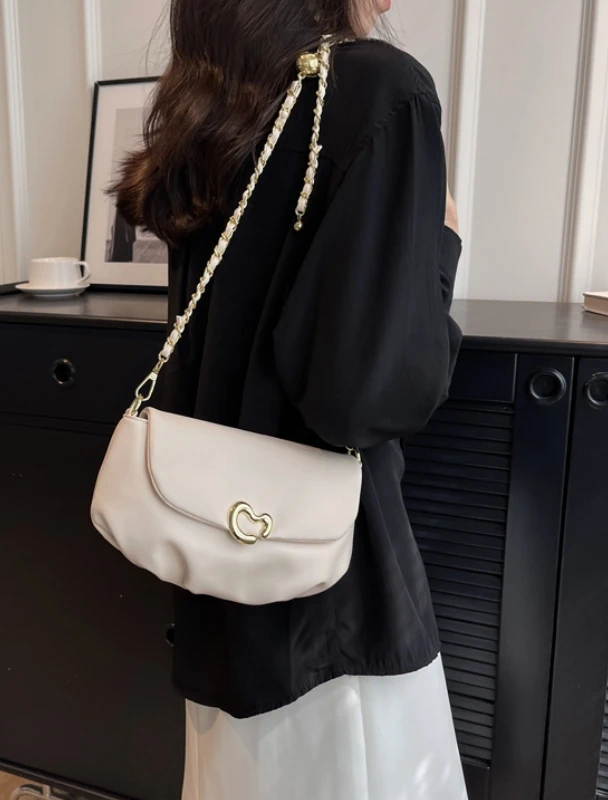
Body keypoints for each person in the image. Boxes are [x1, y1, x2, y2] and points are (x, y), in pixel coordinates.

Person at [112, 1, 467, 798]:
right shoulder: (382, 90)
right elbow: (365, 399)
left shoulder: (210, 96)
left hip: (214, 551)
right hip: (332, 582)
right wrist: (440, 245)